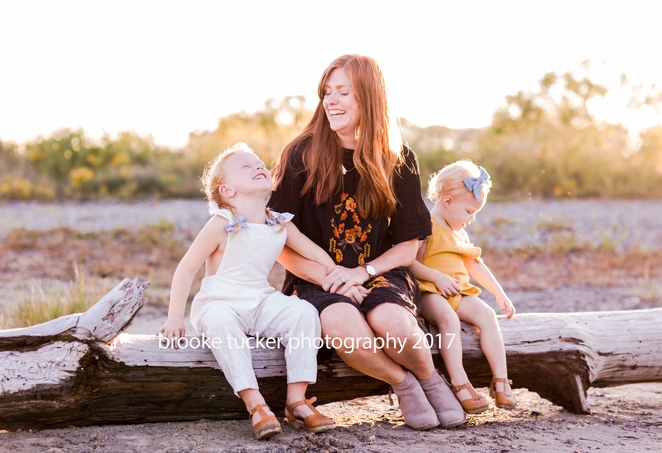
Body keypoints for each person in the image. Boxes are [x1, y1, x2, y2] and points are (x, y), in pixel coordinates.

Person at [269, 54, 465, 430]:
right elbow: (278, 237)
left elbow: (409, 245)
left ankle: (429, 377)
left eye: (343, 92)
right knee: (342, 322)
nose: (331, 100)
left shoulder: (398, 158)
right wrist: (331, 276)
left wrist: (362, 273)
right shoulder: (301, 153)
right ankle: (404, 384)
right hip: (315, 277)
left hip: (378, 271)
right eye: (327, 92)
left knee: (393, 322)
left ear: (369, 98)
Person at [156, 142, 336, 440]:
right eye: (246, 166)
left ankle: (297, 400)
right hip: (220, 302)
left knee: (303, 312)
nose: (258, 167)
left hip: (260, 298)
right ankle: (256, 405)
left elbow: (314, 253)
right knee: (220, 324)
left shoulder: (279, 222)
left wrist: (338, 276)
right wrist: (175, 317)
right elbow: (186, 268)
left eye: (260, 164)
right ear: (227, 191)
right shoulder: (222, 223)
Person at [410, 160, 517, 413]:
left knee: (488, 316)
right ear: (447, 202)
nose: (472, 219)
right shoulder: (425, 225)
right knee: (449, 320)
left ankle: (501, 381)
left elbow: (475, 265)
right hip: (430, 291)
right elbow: (408, 263)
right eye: (469, 212)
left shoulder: (460, 233)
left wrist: (499, 293)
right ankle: (459, 383)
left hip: (458, 292)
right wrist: (436, 277)